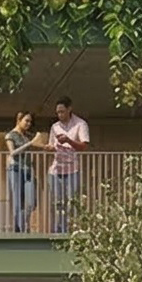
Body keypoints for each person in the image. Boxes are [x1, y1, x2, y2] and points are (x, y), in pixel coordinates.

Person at [47, 99, 91, 234]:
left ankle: (73, 230)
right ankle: (58, 230)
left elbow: (84, 146)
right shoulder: (55, 127)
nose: (60, 115)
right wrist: (47, 148)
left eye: (62, 111)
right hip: (56, 169)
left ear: (69, 109)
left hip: (72, 169)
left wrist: (68, 140)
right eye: (58, 112)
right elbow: (52, 146)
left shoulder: (80, 124)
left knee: (72, 202)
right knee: (57, 202)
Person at [3, 111, 45, 234]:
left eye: (30, 122)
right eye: (26, 121)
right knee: (17, 201)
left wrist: (46, 146)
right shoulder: (10, 135)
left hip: (27, 170)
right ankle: (19, 229)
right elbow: (13, 152)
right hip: (15, 169)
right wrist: (30, 143)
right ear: (19, 120)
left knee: (32, 202)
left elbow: (39, 143)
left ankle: (24, 223)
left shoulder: (26, 136)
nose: (28, 124)